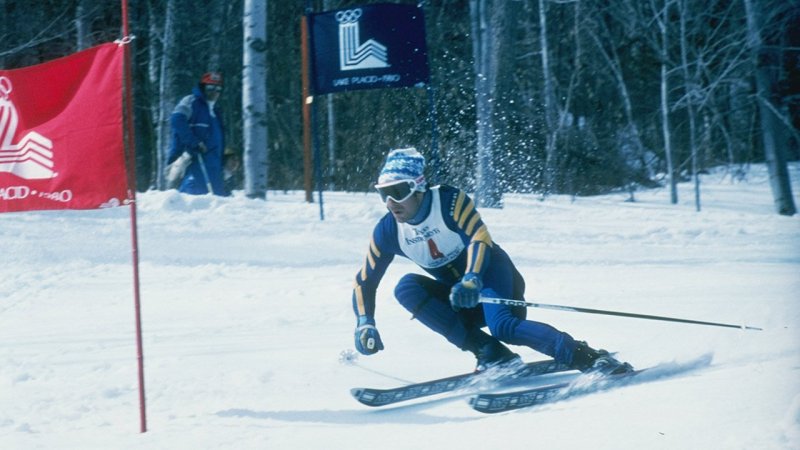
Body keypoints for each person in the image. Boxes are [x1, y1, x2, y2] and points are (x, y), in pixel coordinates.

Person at [351, 147, 633, 374]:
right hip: (461, 299)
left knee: (504, 327)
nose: (390, 202)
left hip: (492, 279)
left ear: (418, 187)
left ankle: (586, 357)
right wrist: (365, 321)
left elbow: (479, 237)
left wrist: (472, 277)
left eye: (398, 192)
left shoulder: (448, 201)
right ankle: (491, 353)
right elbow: (365, 280)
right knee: (406, 287)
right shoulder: (388, 231)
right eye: (383, 194)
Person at [165, 72, 228, 196]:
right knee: (193, 197)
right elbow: (177, 120)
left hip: (213, 165)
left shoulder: (216, 110)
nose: (214, 92)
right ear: (203, 87)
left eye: (218, 88)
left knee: (218, 201)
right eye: (210, 88)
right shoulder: (191, 101)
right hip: (193, 161)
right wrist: (193, 142)